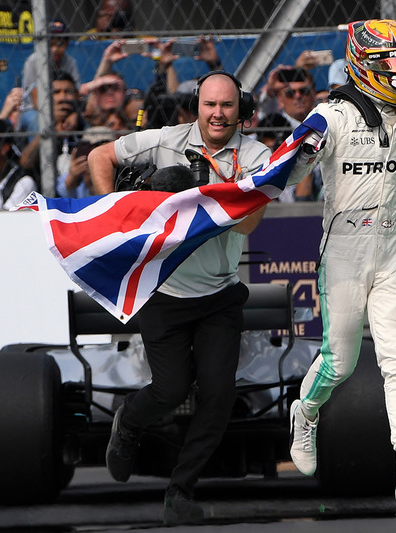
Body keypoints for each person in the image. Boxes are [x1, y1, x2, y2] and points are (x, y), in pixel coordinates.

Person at [284, 19, 396, 506]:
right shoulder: (333, 115)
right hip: (343, 248)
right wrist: (300, 151)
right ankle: (306, 411)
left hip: (395, 247)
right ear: (365, 67)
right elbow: (286, 170)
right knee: (340, 364)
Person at [87, 71, 270, 525]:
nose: (218, 114)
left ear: (240, 108)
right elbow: (99, 155)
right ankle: (128, 421)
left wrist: (238, 190)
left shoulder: (258, 155)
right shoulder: (165, 140)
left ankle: (180, 491)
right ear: (198, 105)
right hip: (164, 292)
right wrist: (117, 213)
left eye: (227, 106)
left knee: (218, 394)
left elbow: (248, 226)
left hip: (220, 294)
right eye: (210, 105)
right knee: (169, 390)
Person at [19, 19, 81, 137]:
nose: (54, 50)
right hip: (33, 109)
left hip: (65, 106)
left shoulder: (70, 62)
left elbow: (75, 93)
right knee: (37, 122)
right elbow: (36, 98)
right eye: (50, 45)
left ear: (67, 44)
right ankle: (41, 155)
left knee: (81, 118)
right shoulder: (33, 62)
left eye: (60, 44)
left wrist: (73, 113)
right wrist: (55, 116)